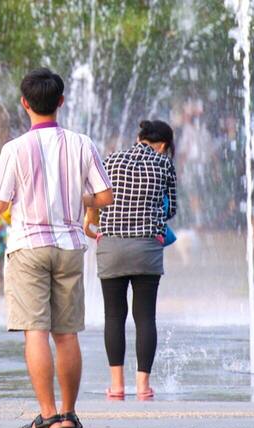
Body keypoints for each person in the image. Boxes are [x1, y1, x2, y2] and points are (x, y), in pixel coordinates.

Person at [0, 68, 112, 428]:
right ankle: (69, 414)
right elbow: (105, 196)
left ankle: (46, 416)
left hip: (28, 247)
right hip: (70, 247)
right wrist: (79, 197)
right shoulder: (81, 143)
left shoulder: (14, 149)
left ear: (24, 104)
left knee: (36, 332)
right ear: (61, 102)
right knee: (67, 333)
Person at [83, 120, 177, 401]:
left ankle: (116, 387)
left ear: (139, 138)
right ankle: (143, 387)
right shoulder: (163, 165)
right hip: (146, 246)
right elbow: (170, 208)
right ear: (163, 146)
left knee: (114, 315)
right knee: (145, 315)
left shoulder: (110, 160)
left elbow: (97, 200)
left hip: (110, 245)